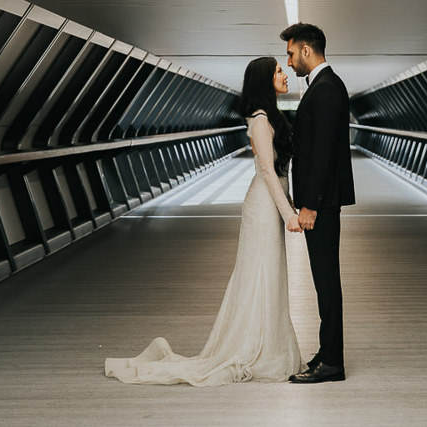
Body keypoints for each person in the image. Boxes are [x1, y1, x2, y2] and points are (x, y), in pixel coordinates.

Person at [104, 57, 305, 386]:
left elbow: (280, 173)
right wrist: (289, 215)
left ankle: (269, 344)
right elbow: (268, 171)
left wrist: (291, 205)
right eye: (278, 72)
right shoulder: (259, 121)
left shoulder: (271, 117)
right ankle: (259, 347)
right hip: (264, 207)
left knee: (269, 273)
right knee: (260, 273)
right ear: (263, 81)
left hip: (273, 203)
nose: (284, 74)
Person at [281, 22, 356, 384]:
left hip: (321, 205)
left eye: (292, 53)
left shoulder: (326, 90)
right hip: (322, 203)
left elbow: (323, 153)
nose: (290, 61)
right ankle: (327, 353)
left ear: (307, 51)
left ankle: (332, 362)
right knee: (323, 280)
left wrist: (310, 204)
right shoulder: (327, 86)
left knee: (326, 281)